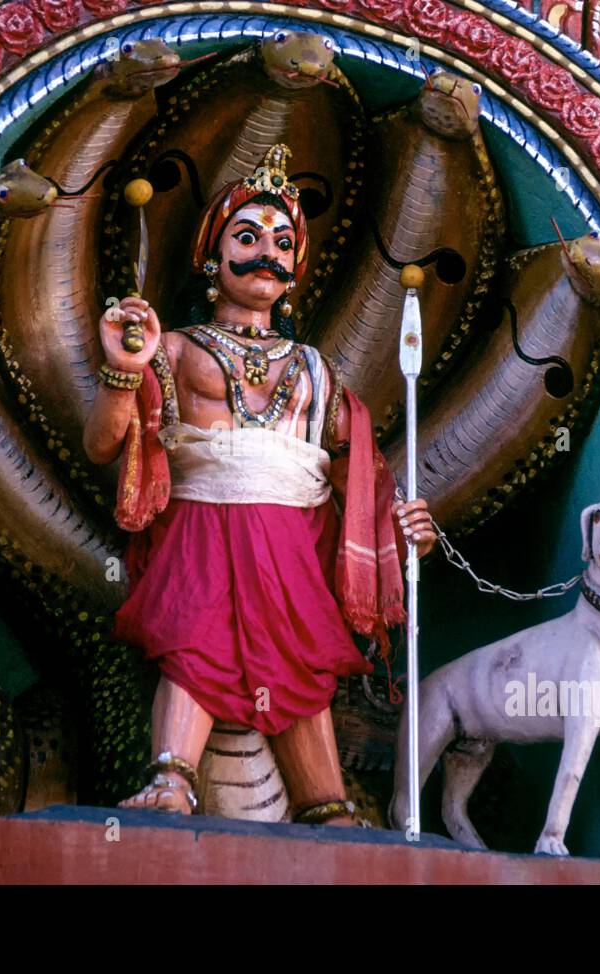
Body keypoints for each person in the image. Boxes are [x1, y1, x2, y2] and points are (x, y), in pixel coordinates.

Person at [83, 144, 436, 826]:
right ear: (212, 260)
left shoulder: (316, 368)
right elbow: (105, 445)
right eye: (246, 238)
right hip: (201, 523)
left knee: (302, 666)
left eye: (281, 243)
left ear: (296, 270)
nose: (266, 254)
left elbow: (354, 476)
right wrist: (124, 367)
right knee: (195, 642)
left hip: (291, 539)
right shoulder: (175, 347)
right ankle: (170, 781)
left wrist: (399, 525)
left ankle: (327, 804)